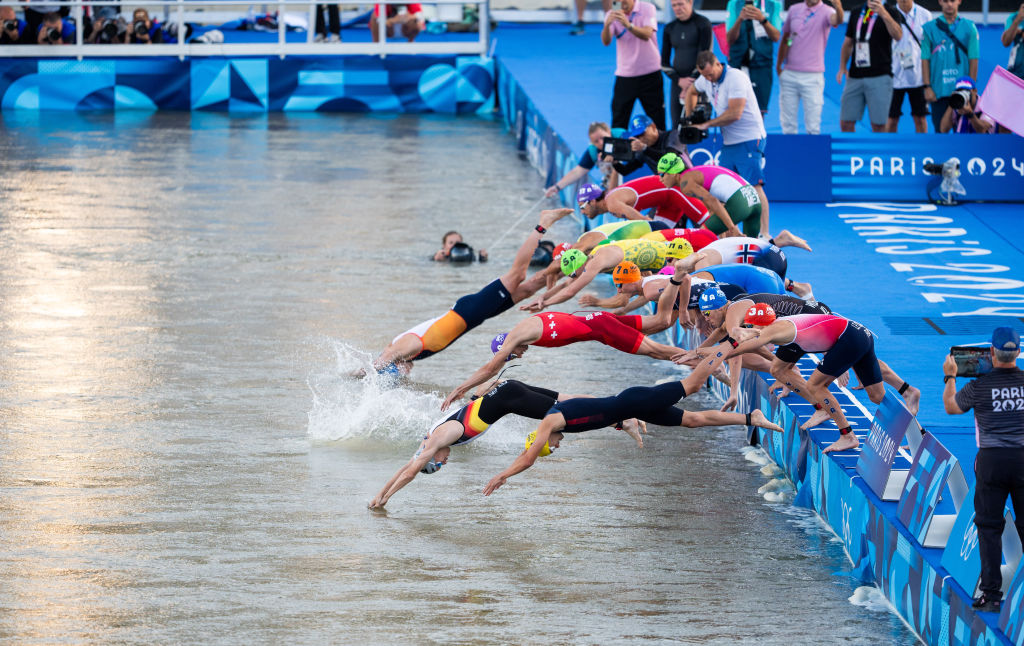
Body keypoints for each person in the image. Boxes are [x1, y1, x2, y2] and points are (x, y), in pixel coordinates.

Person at [481, 352, 784, 495]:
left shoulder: (550, 422)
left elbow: (528, 457)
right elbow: (597, 410)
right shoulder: (565, 420)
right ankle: (750, 418)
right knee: (692, 420)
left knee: (692, 385)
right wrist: (625, 425)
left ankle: (729, 346)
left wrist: (502, 475)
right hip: (632, 406)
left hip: (635, 400)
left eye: (551, 448)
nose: (556, 447)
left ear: (544, 439)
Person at [368, 378, 637, 508]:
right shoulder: (429, 441)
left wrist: (387, 499)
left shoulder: (441, 437)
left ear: (434, 457)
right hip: (507, 389)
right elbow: (408, 464)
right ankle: (625, 406)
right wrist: (378, 495)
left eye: (438, 466)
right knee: (568, 400)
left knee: (567, 418)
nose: (444, 463)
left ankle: (622, 421)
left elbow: (412, 470)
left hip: (511, 399)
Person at [371, 209, 572, 375]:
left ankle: (543, 223)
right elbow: (402, 370)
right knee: (529, 288)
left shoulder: (400, 347)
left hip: (467, 311)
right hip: (473, 316)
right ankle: (575, 261)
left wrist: (359, 375)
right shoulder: (407, 356)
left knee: (517, 275)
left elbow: (378, 365)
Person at [442, 279, 691, 410]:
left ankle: (704, 360)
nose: (519, 356)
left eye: (512, 356)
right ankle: (677, 282)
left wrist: (459, 389)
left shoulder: (516, 338)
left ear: (505, 348)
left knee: (658, 352)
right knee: (659, 323)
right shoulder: (525, 329)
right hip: (600, 321)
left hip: (603, 329)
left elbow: (490, 369)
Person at [700, 305, 919, 453]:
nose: (748, 330)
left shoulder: (775, 331)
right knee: (876, 396)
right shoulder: (780, 329)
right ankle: (917, 434)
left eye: (751, 327)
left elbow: (746, 346)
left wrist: (705, 353)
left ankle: (847, 435)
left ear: (761, 326)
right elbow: (775, 358)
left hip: (850, 339)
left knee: (816, 384)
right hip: (857, 332)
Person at [942, 326, 1024, 614]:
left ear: (991, 353)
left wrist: (950, 375)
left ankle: (991, 597)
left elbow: (951, 408)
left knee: (989, 529)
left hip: (991, 462)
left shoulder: (979, 385)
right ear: (1018, 353)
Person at [685, 52, 770, 234]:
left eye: (710, 74)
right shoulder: (705, 78)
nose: (708, 78)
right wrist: (690, 117)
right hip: (729, 142)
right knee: (723, 190)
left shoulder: (736, 78)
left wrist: (706, 124)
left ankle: (764, 233)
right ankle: (730, 235)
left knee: (754, 188)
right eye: (704, 75)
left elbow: (735, 114)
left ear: (718, 64)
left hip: (749, 138)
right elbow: (692, 91)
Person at [521, 239, 688, 312]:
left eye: (573, 273)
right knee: (635, 294)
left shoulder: (596, 263)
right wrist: (543, 297)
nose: (573, 277)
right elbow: (566, 285)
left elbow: (570, 291)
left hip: (667, 257)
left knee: (627, 297)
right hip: (652, 256)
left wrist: (597, 302)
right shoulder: (589, 259)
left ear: (579, 266)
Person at [776, 0, 845, 134]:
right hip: (789, 73)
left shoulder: (827, 11)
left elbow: (837, 20)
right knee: (788, 124)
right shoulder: (794, 9)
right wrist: (779, 66)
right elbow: (786, 38)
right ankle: (789, 154)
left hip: (813, 76)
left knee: (813, 125)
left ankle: (813, 154)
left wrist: (838, 7)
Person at [657, 153, 762, 238]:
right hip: (753, 197)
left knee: (699, 237)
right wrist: (724, 233)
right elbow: (712, 209)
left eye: (662, 174)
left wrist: (732, 228)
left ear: (674, 173)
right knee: (752, 250)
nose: (660, 179)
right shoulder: (694, 173)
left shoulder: (686, 184)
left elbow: (712, 201)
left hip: (741, 202)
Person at [837, 0, 903, 133]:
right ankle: (851, 153)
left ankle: (879, 153)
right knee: (845, 122)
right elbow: (848, 42)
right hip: (855, 76)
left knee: (879, 125)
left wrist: (883, 14)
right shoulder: (856, 12)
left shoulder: (891, 11)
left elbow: (898, 35)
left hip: (880, 76)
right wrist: (842, 66)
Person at [601, 0, 666, 131]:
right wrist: (607, 25)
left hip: (650, 73)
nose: (621, 2)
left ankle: (660, 150)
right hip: (625, 74)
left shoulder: (648, 8)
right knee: (619, 121)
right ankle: (619, 150)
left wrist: (628, 25)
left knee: (657, 119)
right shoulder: (612, 13)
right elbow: (606, 42)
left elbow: (647, 34)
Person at [921, 0, 979, 133]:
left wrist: (971, 88)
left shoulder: (969, 27)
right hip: (938, 90)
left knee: (964, 132)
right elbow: (925, 59)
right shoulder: (929, 28)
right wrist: (927, 87)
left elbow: (974, 60)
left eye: (952, 0)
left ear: (959, 1)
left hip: (962, 90)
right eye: (945, 1)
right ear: (940, 2)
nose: (949, 4)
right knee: (940, 132)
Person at [725, 0, 783, 117]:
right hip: (738, 64)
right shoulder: (734, 3)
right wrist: (740, 19)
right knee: (735, 110)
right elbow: (730, 39)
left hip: (761, 65)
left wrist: (762, 19)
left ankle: (757, 135)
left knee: (758, 110)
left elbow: (776, 36)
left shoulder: (773, 4)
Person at [577, 177, 708, 228]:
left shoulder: (612, 204)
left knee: (711, 224)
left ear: (593, 201)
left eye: (582, 207)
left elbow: (644, 221)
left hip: (674, 190)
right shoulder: (612, 200)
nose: (582, 212)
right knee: (660, 238)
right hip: (666, 202)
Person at [661, 0, 713, 129]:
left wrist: (690, 83)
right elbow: (663, 63)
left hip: (698, 82)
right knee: (676, 125)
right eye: (674, 5)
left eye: (680, 4)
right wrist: (679, 80)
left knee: (697, 124)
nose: (677, 8)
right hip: (677, 83)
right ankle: (678, 150)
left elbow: (705, 58)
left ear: (690, 2)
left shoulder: (703, 24)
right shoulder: (670, 28)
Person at [886, 0, 931, 132]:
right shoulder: (888, 14)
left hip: (918, 78)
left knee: (920, 119)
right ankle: (890, 151)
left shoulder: (925, 15)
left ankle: (922, 151)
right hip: (893, 76)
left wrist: (929, 81)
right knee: (891, 120)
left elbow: (928, 48)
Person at [545, 122, 623, 198]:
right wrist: (557, 187)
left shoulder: (622, 137)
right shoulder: (593, 151)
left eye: (603, 138)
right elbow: (578, 171)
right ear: (592, 143)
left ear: (608, 131)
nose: (601, 143)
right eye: (596, 141)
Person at [612, 114, 692, 177]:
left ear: (653, 127)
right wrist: (614, 162)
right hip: (669, 188)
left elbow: (669, 159)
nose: (641, 138)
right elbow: (625, 170)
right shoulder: (643, 149)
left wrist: (645, 149)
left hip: (687, 179)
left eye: (642, 133)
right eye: (637, 136)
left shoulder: (673, 135)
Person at [1003, 2, 1024, 81]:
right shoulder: (1013, 17)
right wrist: (1017, 20)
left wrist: (1021, 32)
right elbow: (1005, 42)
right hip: (1015, 74)